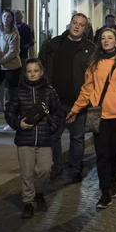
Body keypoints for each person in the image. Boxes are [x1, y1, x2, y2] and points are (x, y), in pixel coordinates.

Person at [66, 29, 116, 209]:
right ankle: (105, 192)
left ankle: (113, 182)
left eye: (110, 38)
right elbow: (87, 89)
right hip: (99, 116)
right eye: (103, 38)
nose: (106, 41)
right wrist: (75, 109)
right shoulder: (94, 63)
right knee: (102, 155)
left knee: (115, 153)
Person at [39, 13, 96, 183]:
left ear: (85, 28)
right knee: (53, 136)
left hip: (78, 101)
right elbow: (42, 66)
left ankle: (75, 169)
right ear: (70, 24)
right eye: (75, 23)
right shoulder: (55, 44)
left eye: (81, 24)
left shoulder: (90, 49)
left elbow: (93, 76)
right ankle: (57, 166)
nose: (77, 26)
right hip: (55, 101)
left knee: (77, 138)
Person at [4, 59, 63, 219]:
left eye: (35, 70)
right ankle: (28, 202)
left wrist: (51, 128)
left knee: (44, 170)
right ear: (25, 73)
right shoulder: (18, 92)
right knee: (27, 173)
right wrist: (18, 123)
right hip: (25, 139)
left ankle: (39, 193)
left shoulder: (49, 91)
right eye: (29, 71)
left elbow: (58, 112)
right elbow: (9, 112)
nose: (32, 74)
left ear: (41, 72)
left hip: (44, 139)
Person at [0, 8, 22, 111]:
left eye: (8, 17)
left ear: (12, 19)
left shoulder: (14, 33)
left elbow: (14, 52)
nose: (6, 19)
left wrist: (1, 60)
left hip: (12, 66)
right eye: (4, 16)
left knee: (12, 92)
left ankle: (13, 117)